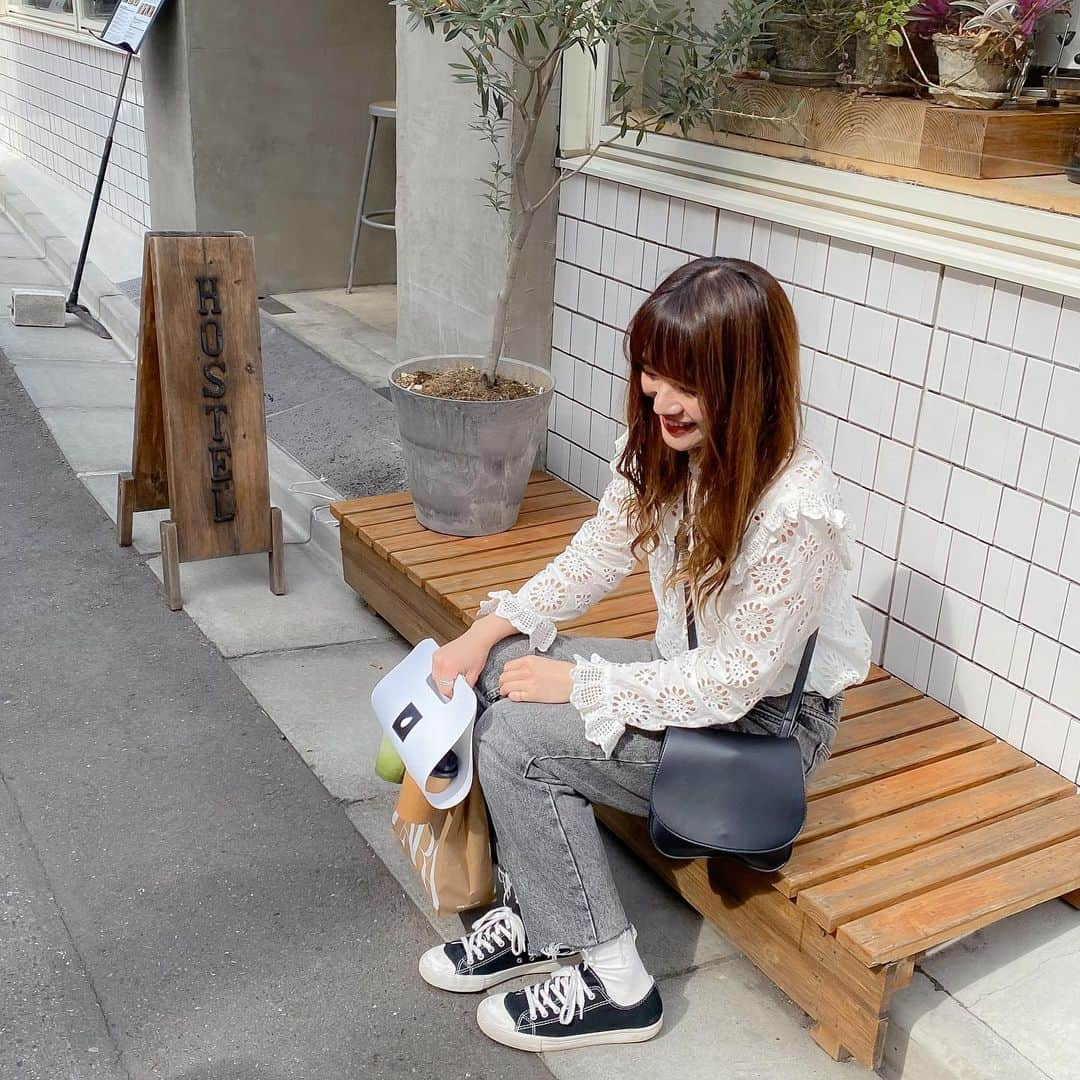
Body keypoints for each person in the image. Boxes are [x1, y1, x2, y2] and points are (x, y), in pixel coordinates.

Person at [419, 256, 872, 1053]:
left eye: (684, 381)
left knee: (517, 741)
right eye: (652, 374)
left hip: (764, 728)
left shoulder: (796, 511)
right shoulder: (668, 444)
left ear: (747, 377)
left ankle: (615, 982)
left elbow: (735, 684)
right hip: (694, 680)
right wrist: (487, 630)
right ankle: (539, 917)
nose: (661, 398)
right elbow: (600, 550)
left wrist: (582, 682)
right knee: (502, 668)